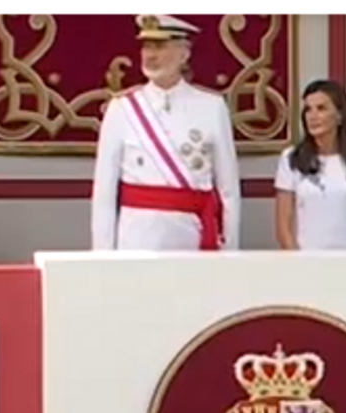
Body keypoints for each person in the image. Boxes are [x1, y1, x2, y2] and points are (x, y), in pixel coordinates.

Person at [90, 14, 242, 252]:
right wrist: (104, 256)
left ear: (184, 53)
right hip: (137, 241)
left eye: (160, 46)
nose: (150, 55)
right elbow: (104, 194)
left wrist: (229, 251)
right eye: (146, 46)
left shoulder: (212, 106)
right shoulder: (122, 108)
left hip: (192, 239)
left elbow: (228, 190)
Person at [274, 79, 346, 251]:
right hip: (305, 262)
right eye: (308, 109)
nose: (313, 116)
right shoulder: (291, 158)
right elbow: (283, 228)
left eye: (321, 108)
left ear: (339, 115)